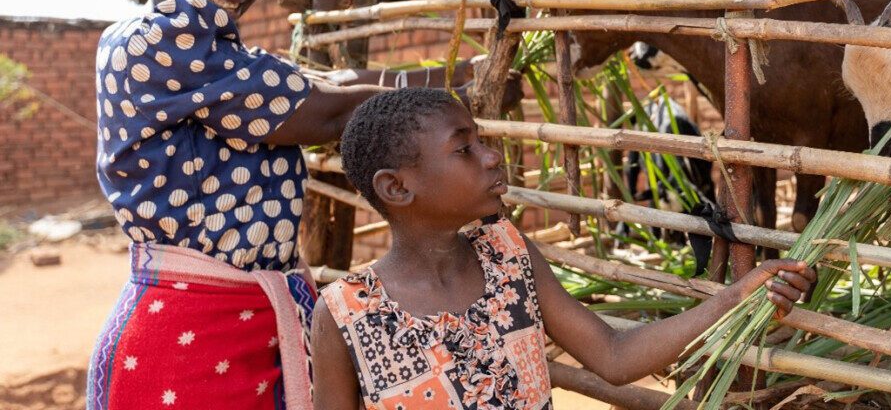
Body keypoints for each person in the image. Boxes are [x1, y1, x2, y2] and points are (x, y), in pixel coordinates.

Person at [87, 0, 399, 410]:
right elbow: (325, 108)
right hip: (190, 340)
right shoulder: (163, 39)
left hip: (235, 323)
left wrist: (444, 77)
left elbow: (321, 85)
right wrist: (449, 94)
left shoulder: (205, 58)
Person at [311, 88, 817, 410]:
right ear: (397, 188)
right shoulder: (345, 313)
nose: (492, 157)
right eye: (464, 148)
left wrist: (736, 296)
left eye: (482, 140)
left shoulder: (508, 256)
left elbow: (615, 357)